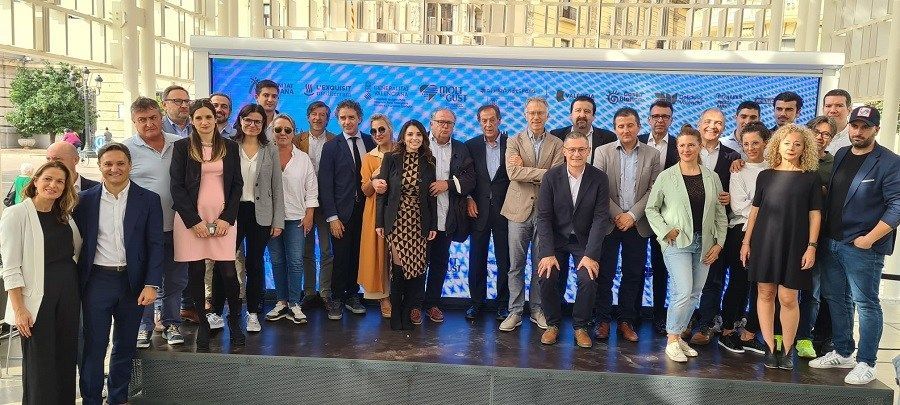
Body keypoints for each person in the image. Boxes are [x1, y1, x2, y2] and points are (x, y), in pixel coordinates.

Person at [811, 106, 900, 385]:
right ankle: (843, 351)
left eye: (865, 127)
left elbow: (897, 206)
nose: (858, 132)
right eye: (854, 126)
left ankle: (867, 362)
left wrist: (870, 238)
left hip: (863, 248)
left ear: (876, 129)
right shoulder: (841, 154)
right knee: (837, 299)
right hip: (832, 241)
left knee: (866, 304)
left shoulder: (889, 161)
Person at [74, 143, 163, 405]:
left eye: (120, 163)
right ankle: (91, 398)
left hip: (132, 283)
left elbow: (156, 244)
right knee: (94, 345)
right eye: (109, 164)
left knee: (125, 344)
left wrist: (152, 283)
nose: (115, 169)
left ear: (130, 166)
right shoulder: (84, 200)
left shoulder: (149, 199)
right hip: (97, 282)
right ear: (100, 166)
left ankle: (118, 397)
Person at [740, 124, 822, 370]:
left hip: (796, 244)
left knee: (788, 297)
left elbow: (815, 215)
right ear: (778, 145)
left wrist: (812, 246)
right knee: (765, 293)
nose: (792, 148)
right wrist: (746, 242)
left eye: (797, 144)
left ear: (805, 148)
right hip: (764, 242)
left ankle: (787, 350)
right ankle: (769, 347)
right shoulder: (765, 176)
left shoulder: (811, 177)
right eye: (787, 143)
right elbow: (755, 212)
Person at [0, 161, 81, 404]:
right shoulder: (16, 214)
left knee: (65, 357)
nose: (53, 185)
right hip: (36, 298)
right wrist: (19, 309)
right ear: (35, 181)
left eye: (60, 181)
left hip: (68, 293)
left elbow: (76, 251)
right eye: (48, 179)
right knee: (40, 361)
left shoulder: (64, 215)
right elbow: (11, 267)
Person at [645, 126, 728, 363]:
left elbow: (720, 215)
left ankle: (679, 336)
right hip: (677, 242)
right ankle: (672, 339)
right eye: (682, 145)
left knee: (694, 294)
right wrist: (664, 230)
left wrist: (719, 244)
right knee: (682, 291)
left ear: (699, 146)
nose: (686, 149)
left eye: (691, 144)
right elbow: (651, 209)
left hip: (705, 243)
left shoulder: (712, 177)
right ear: (677, 148)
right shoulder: (666, 176)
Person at [170, 98, 244, 350]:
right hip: (191, 220)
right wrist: (193, 221)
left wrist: (227, 218)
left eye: (208, 117)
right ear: (192, 121)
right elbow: (176, 187)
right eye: (199, 117)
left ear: (215, 119)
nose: (204, 122)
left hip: (222, 218)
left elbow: (237, 185)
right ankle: (203, 323)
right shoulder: (182, 147)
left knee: (229, 273)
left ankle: (235, 322)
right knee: (196, 272)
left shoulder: (230, 147)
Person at [212, 103, 284, 333]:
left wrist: (278, 221)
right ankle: (216, 312)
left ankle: (253, 313)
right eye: (248, 120)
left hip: (260, 213)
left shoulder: (270, 148)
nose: (252, 125)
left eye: (257, 121)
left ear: (264, 124)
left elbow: (277, 186)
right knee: (223, 261)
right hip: (230, 212)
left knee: (255, 263)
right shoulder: (228, 145)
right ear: (240, 121)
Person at [535, 132, 611, 348]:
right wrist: (547, 253)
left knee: (588, 279)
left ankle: (581, 326)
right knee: (547, 275)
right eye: (572, 150)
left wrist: (591, 254)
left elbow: (600, 218)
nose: (576, 154)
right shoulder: (551, 177)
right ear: (564, 152)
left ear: (588, 151)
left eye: (581, 150)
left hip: (584, 241)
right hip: (556, 240)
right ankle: (552, 324)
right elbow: (543, 217)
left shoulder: (599, 178)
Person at [123, 97, 189, 347]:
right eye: (142, 120)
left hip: (178, 225)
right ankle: (143, 326)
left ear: (161, 117)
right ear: (134, 122)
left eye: (153, 117)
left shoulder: (180, 144)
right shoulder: (126, 149)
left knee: (175, 279)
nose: (149, 123)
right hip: (143, 229)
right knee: (144, 278)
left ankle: (172, 323)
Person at [592, 107, 661, 342]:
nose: (626, 130)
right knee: (605, 274)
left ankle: (626, 321)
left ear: (639, 127)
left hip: (637, 224)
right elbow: (598, 188)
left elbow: (654, 190)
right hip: (609, 224)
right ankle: (602, 320)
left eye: (630, 125)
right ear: (615, 129)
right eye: (621, 126)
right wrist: (618, 215)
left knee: (633, 274)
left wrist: (631, 215)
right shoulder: (602, 152)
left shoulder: (652, 155)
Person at [499, 97, 564, 332]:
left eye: (540, 113)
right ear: (525, 115)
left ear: (547, 115)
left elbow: (557, 176)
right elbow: (513, 173)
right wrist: (541, 172)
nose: (536, 117)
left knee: (541, 265)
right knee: (515, 265)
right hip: (517, 211)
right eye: (532, 113)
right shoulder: (514, 140)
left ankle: (537, 310)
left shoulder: (558, 143)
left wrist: (525, 169)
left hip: (546, 212)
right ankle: (515, 311)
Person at [375, 119, 437, 331]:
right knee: (399, 268)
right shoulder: (391, 158)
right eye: (410, 134)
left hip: (420, 221)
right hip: (397, 221)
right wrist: (380, 222)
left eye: (418, 134)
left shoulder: (429, 161)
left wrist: (433, 225)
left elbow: (431, 197)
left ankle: (408, 314)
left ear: (423, 137)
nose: (414, 138)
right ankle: (396, 316)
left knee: (416, 269)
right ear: (403, 137)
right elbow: (382, 194)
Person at [716, 122, 770, 355]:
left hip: (769, 234)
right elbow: (739, 206)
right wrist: (767, 210)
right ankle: (727, 331)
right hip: (740, 232)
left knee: (761, 288)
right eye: (746, 144)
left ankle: (749, 335)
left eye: (755, 143)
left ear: (766, 143)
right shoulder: (737, 170)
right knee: (738, 283)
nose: (750, 148)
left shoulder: (774, 168)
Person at [318, 99, 375, 320]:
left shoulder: (371, 142)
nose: (347, 121)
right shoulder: (331, 146)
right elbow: (325, 184)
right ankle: (336, 299)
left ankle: (352, 295)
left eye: (351, 117)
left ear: (359, 118)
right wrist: (332, 217)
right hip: (341, 214)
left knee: (358, 256)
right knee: (341, 257)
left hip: (367, 212)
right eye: (342, 118)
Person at [690, 108, 741, 345]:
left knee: (713, 279)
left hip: (717, 228)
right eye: (708, 122)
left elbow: (739, 190)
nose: (712, 126)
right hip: (688, 227)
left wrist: (731, 197)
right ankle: (684, 322)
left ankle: (706, 325)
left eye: (718, 123)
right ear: (699, 124)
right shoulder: (686, 150)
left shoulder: (733, 157)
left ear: (724, 127)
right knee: (686, 279)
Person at [422, 108, 474, 324]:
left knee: (440, 262)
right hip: (418, 217)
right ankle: (413, 305)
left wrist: (448, 184)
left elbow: (470, 179)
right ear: (431, 123)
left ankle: (432, 304)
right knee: (415, 263)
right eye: (440, 121)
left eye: (449, 123)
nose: (445, 126)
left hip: (446, 216)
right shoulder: (419, 143)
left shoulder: (461, 148)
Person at [795, 115, 838, 359]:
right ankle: (781, 334)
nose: (821, 137)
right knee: (785, 290)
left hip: (817, 235)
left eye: (826, 134)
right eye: (817, 132)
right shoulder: (794, 158)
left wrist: (822, 192)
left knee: (813, 291)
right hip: (790, 232)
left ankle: (805, 337)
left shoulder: (835, 163)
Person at [267, 114, 317, 324]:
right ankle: (281, 302)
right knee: (277, 261)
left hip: (296, 217)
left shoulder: (303, 158)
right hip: (270, 219)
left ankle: (295, 303)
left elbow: (311, 189)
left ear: (293, 132)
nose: (283, 133)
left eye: (287, 130)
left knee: (296, 262)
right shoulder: (265, 155)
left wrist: (310, 214)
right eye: (278, 129)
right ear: (272, 132)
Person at [464, 104, 511, 320]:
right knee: (476, 260)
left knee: (505, 262)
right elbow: (464, 176)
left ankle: (503, 304)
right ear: (479, 122)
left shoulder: (512, 143)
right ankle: (476, 303)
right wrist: (468, 198)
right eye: (484, 120)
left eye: (492, 119)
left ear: (499, 120)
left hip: (505, 212)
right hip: (478, 212)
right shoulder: (470, 145)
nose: (488, 124)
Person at [638, 100, 679, 335]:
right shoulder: (637, 141)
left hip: (667, 218)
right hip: (637, 215)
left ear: (671, 120)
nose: (660, 120)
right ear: (649, 119)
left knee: (662, 268)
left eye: (665, 116)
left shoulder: (679, 146)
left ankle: (659, 316)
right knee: (634, 268)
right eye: (656, 116)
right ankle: (631, 315)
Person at [295, 101, 336, 308]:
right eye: (314, 114)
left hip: (327, 203)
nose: (318, 118)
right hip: (303, 203)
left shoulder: (335, 141)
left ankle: (326, 292)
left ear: (328, 119)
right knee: (306, 250)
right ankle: (310, 292)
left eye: (322, 115)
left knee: (327, 250)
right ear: (308, 117)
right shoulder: (296, 140)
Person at [358, 114, 395, 318]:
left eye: (381, 129)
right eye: (373, 131)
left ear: (390, 129)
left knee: (399, 255)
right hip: (375, 210)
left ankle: (403, 297)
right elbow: (365, 190)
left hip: (401, 210)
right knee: (380, 254)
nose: (378, 134)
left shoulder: (403, 151)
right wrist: (372, 181)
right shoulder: (369, 157)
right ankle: (384, 297)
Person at [549, 95, 616, 165]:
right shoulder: (556, 136)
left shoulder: (609, 138)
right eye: (578, 110)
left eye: (587, 111)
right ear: (570, 115)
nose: (582, 115)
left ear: (593, 117)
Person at [822, 89, 853, 155]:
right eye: (828, 106)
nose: (832, 110)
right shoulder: (811, 136)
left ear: (849, 110)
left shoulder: (855, 139)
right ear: (823, 109)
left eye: (839, 105)